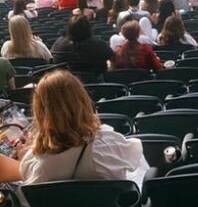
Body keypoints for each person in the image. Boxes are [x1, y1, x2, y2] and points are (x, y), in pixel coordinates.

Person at [0, 70, 146, 185]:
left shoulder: (37, 166)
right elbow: (137, 162)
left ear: (40, 112)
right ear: (82, 100)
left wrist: (26, 159)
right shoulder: (107, 143)